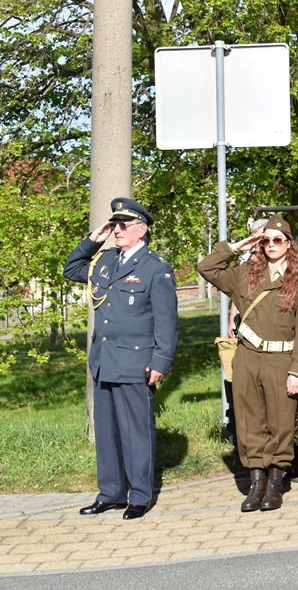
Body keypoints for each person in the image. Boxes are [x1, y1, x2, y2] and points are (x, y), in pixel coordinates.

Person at [63, 198, 178, 520]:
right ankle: (111, 493)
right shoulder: (105, 260)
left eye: (123, 226)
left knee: (135, 432)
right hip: (104, 361)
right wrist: (93, 239)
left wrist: (160, 362)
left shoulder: (155, 267)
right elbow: (71, 269)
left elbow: (166, 321)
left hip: (135, 362)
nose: (117, 231)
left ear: (141, 230)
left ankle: (139, 496)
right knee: (108, 433)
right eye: (114, 225)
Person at [198, 215, 298, 512]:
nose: (272, 245)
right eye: (266, 240)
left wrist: (297, 371)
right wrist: (235, 247)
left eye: (278, 240)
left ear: (289, 244)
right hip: (248, 358)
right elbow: (206, 268)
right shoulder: (244, 274)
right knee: (249, 423)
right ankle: (256, 483)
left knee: (280, 424)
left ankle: (275, 484)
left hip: (282, 359)